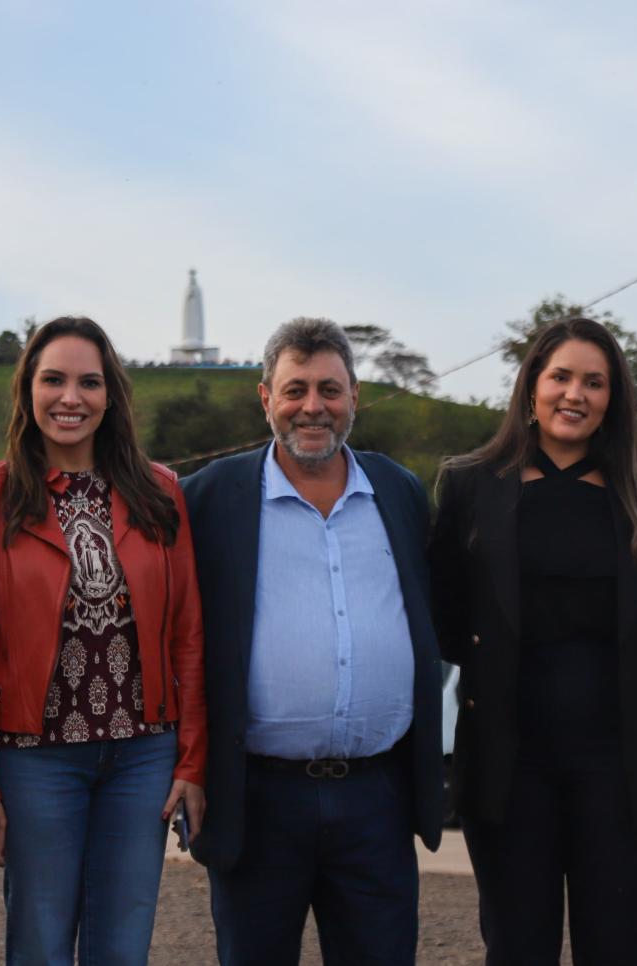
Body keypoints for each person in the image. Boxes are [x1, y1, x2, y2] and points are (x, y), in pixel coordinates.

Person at [429, 316, 637, 964]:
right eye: (561, 376)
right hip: (509, 766)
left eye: (595, 382)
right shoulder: (471, 485)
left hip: (622, 766)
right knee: (516, 946)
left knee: (617, 946)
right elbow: (442, 613)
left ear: (613, 399)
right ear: (532, 385)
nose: (575, 394)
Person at [0, 317, 206, 965]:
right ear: (27, 390)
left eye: (89, 382)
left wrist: (192, 764)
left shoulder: (160, 491)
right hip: (36, 760)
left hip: (142, 757)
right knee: (40, 942)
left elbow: (189, 638)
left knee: (123, 943)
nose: (70, 397)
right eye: (53, 379)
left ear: (110, 395)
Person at [181, 317, 443, 966]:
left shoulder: (400, 492)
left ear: (354, 394)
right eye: (295, 389)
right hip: (258, 797)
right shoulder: (210, 498)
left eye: (329, 389)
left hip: (376, 799)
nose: (313, 407)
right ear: (265, 397)